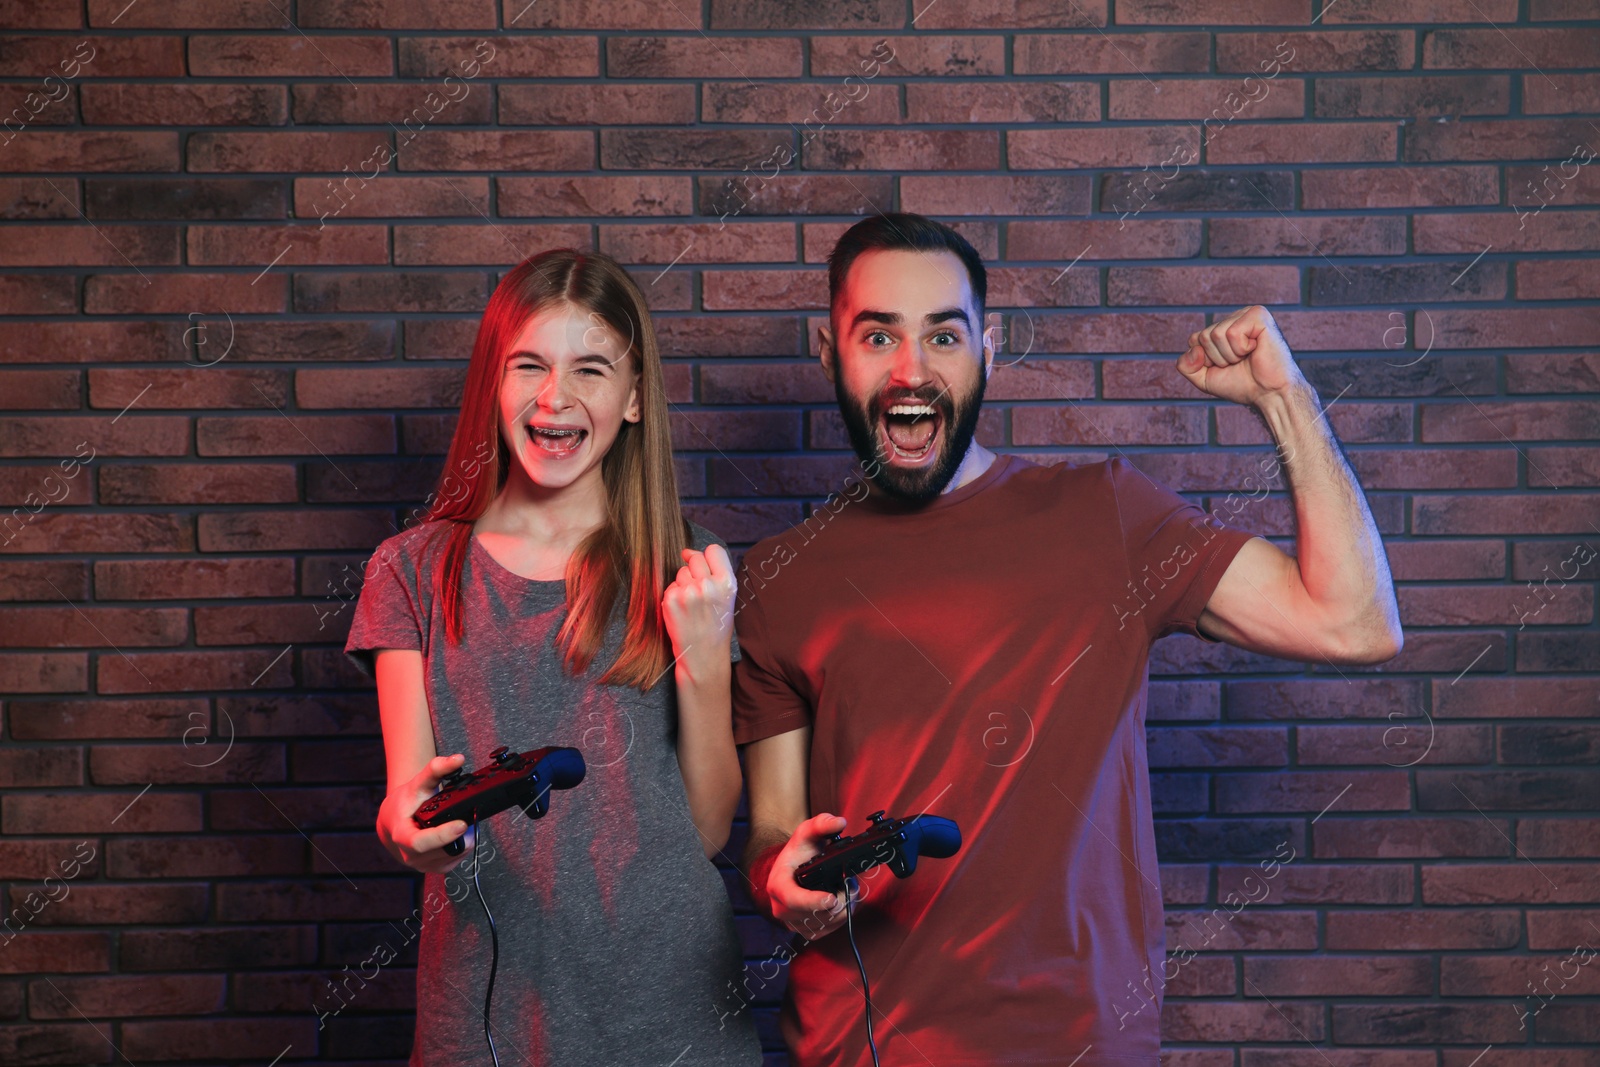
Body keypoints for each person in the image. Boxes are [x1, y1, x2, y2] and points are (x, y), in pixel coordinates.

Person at [731, 213, 1404, 1067]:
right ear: (830, 352)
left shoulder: (1107, 515)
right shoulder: (781, 575)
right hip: (859, 1048)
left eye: (944, 333)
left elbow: (1356, 622)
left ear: (989, 348)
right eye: (877, 334)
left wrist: (1285, 399)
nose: (913, 369)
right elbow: (773, 830)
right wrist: (779, 880)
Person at [344, 248, 762, 1066]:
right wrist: (409, 828)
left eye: (591, 369)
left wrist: (706, 654)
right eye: (528, 363)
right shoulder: (411, 571)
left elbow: (708, 831)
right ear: (493, 385)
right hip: (489, 1012)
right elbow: (409, 802)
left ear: (635, 397)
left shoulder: (690, 566)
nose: (554, 396)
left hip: (674, 1012)